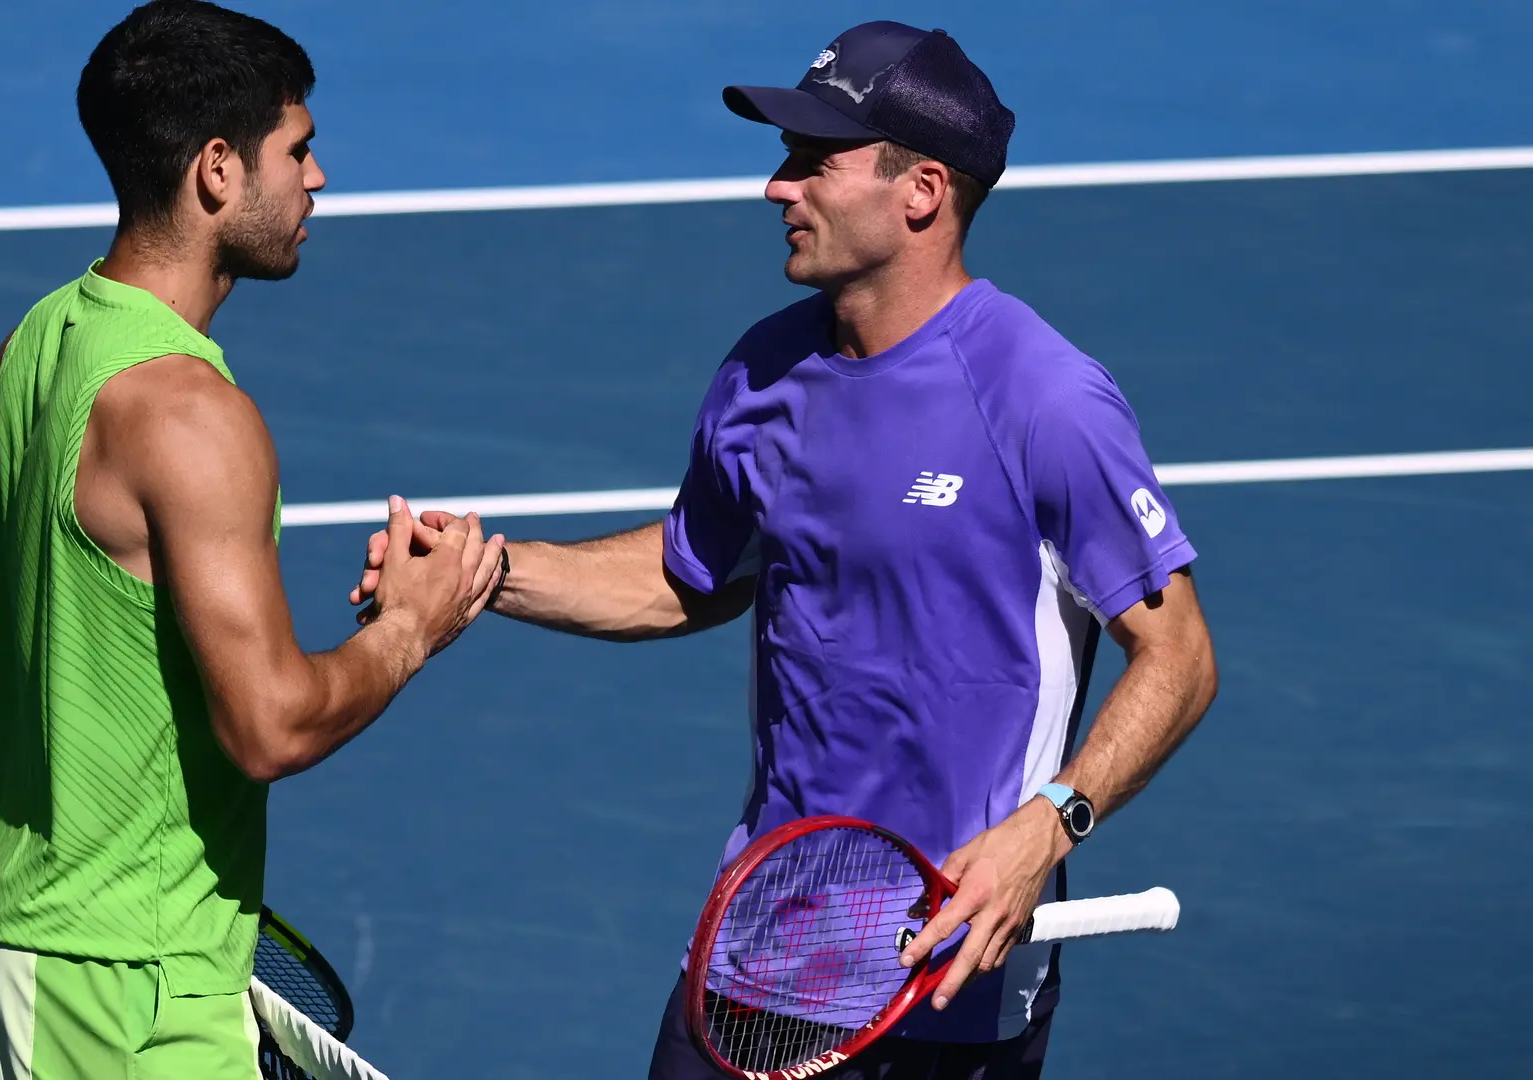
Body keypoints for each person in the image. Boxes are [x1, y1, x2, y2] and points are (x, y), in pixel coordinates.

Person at [350, 20, 1216, 1080]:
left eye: (815, 161)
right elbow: (686, 573)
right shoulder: (762, 376)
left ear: (922, 191)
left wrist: (1051, 825)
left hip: (941, 976)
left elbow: (1179, 659)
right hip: (757, 951)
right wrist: (483, 571)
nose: (778, 187)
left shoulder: (1043, 399)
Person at [0, 2, 505, 1075]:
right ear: (219, 170)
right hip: (119, 987)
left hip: (124, 957)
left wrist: (89, 748)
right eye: (299, 149)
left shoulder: (43, 332)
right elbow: (269, 730)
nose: (315, 178)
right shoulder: (193, 417)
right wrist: (411, 630)